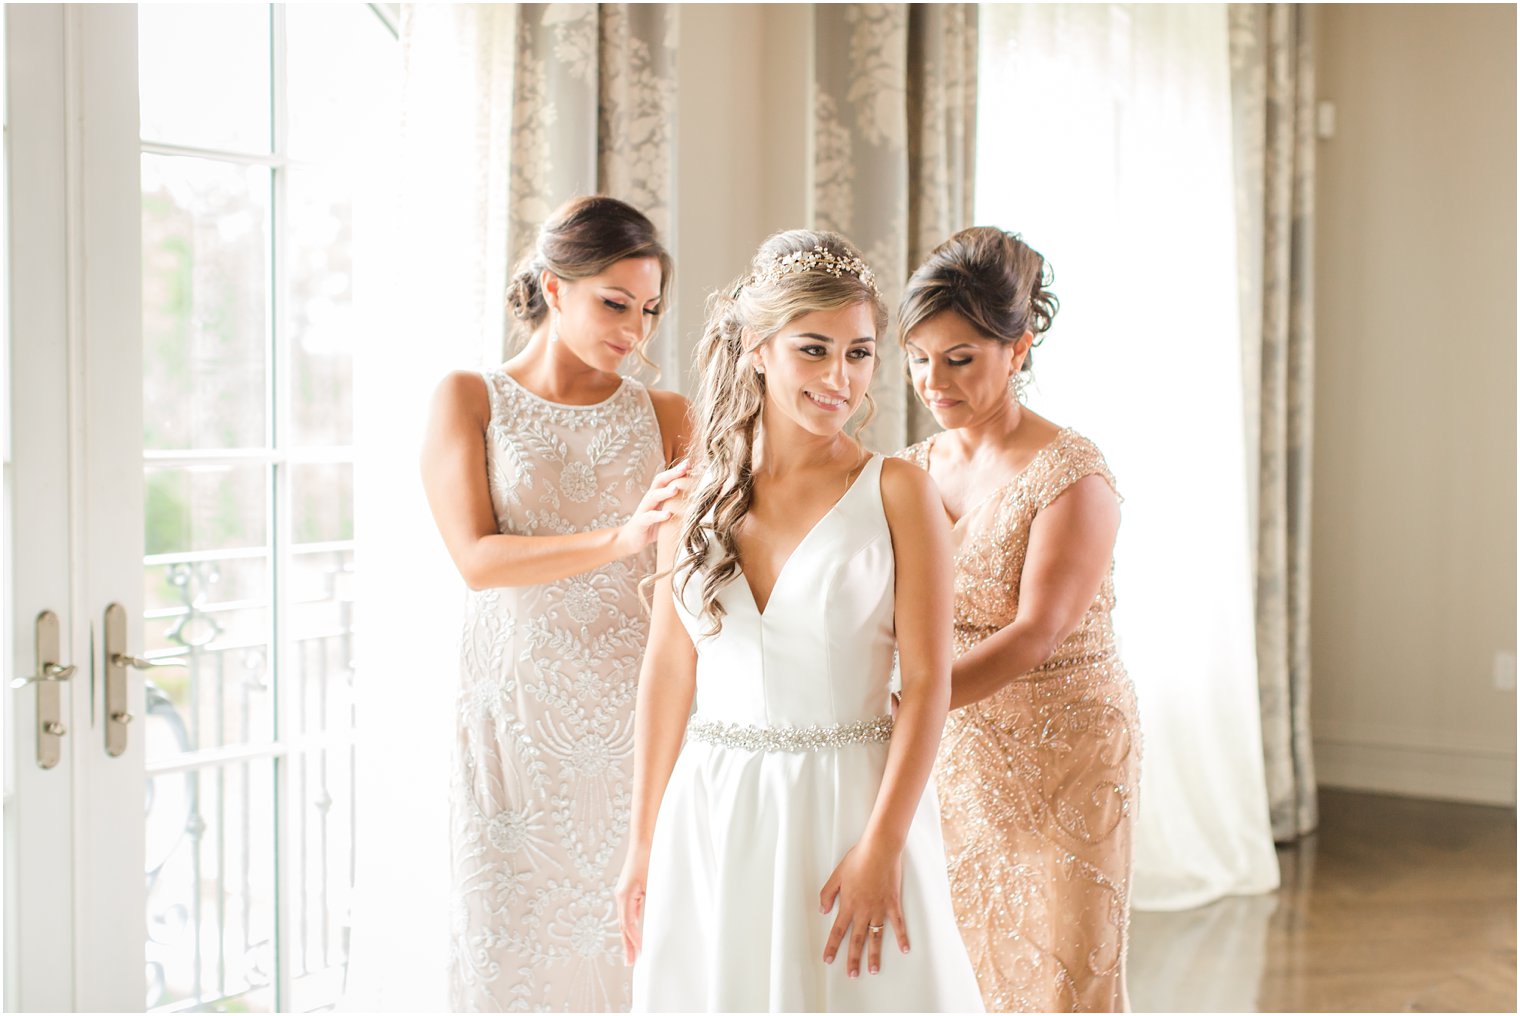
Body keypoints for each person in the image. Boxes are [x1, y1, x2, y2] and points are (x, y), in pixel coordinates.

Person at [614, 230, 984, 1012]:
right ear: (757, 348)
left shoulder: (899, 493)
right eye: (814, 350)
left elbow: (926, 686)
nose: (839, 379)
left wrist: (883, 845)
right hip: (714, 806)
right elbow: (668, 672)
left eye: (860, 353)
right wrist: (643, 841)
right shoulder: (693, 494)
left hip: (849, 807)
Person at [420, 195, 693, 1012]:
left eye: (648, 311)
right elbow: (476, 559)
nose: (635, 331)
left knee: (634, 950)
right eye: (615, 303)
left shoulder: (670, 416)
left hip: (633, 715)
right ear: (553, 286)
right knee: (513, 950)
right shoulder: (468, 398)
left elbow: (695, 573)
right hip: (516, 715)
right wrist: (621, 536)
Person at [896, 226, 1141, 1012]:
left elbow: (1038, 631)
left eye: (959, 359)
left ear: (1019, 346)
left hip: (1067, 748)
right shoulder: (908, 469)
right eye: (917, 358)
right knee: (960, 965)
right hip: (957, 753)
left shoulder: (1073, 473)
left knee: (1063, 972)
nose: (934, 382)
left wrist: (909, 705)